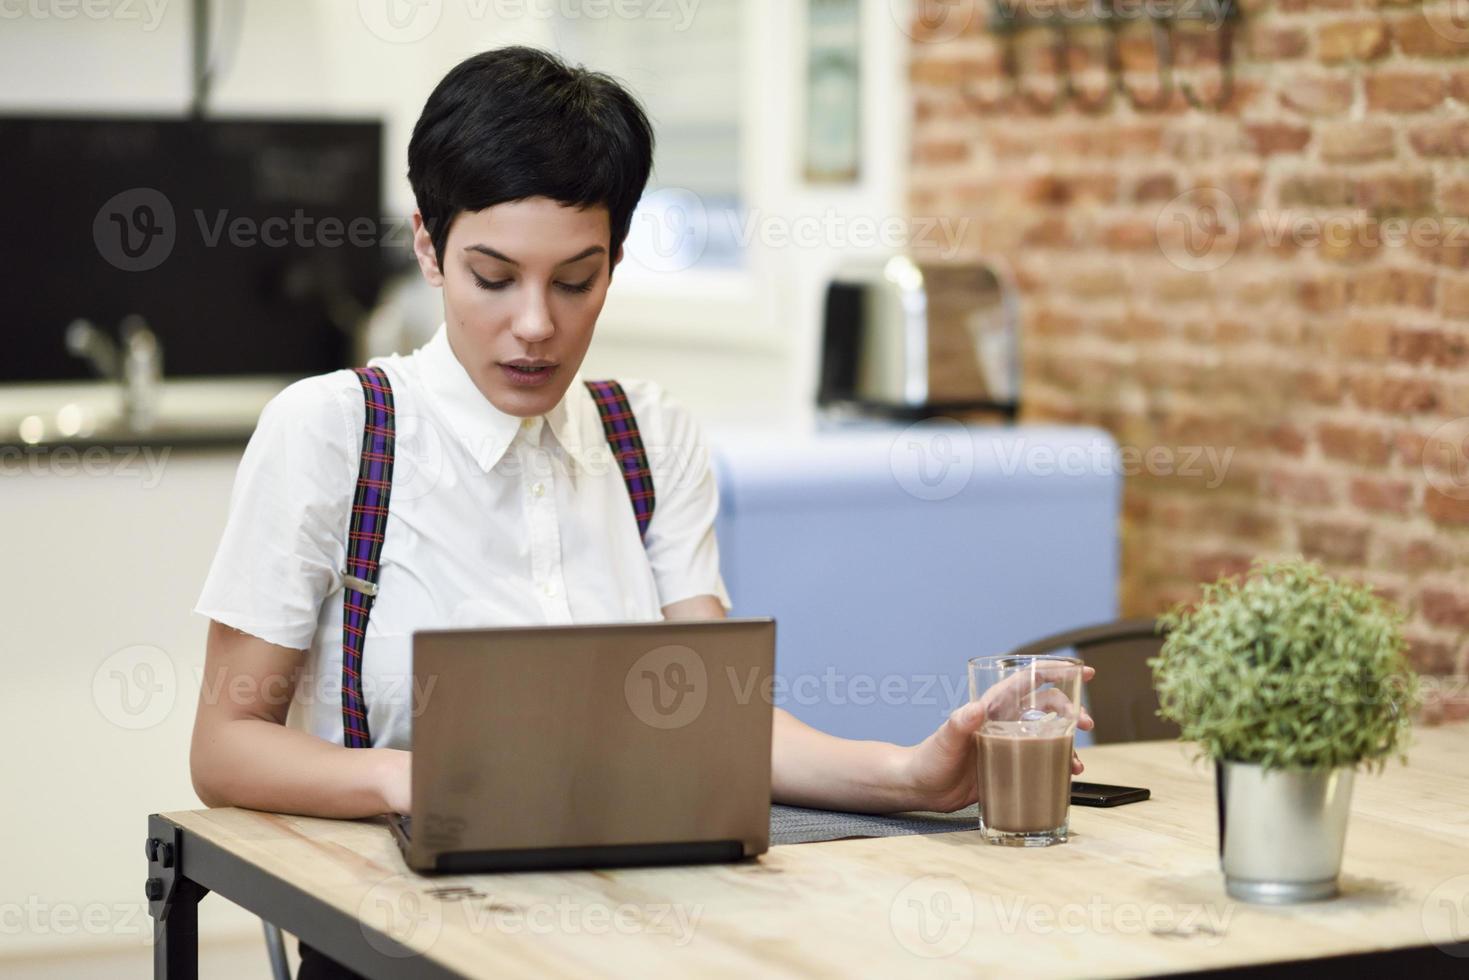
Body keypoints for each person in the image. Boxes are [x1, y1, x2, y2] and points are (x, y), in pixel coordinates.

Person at [189, 46, 1093, 980]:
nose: (535, 324)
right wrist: (412, 779)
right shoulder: (335, 434)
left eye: (574, 281)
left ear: (616, 259)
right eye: (492, 278)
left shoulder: (647, 439)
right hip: (405, 940)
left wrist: (912, 773)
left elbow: (715, 725)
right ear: (428, 246)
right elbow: (225, 749)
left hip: (648, 933)